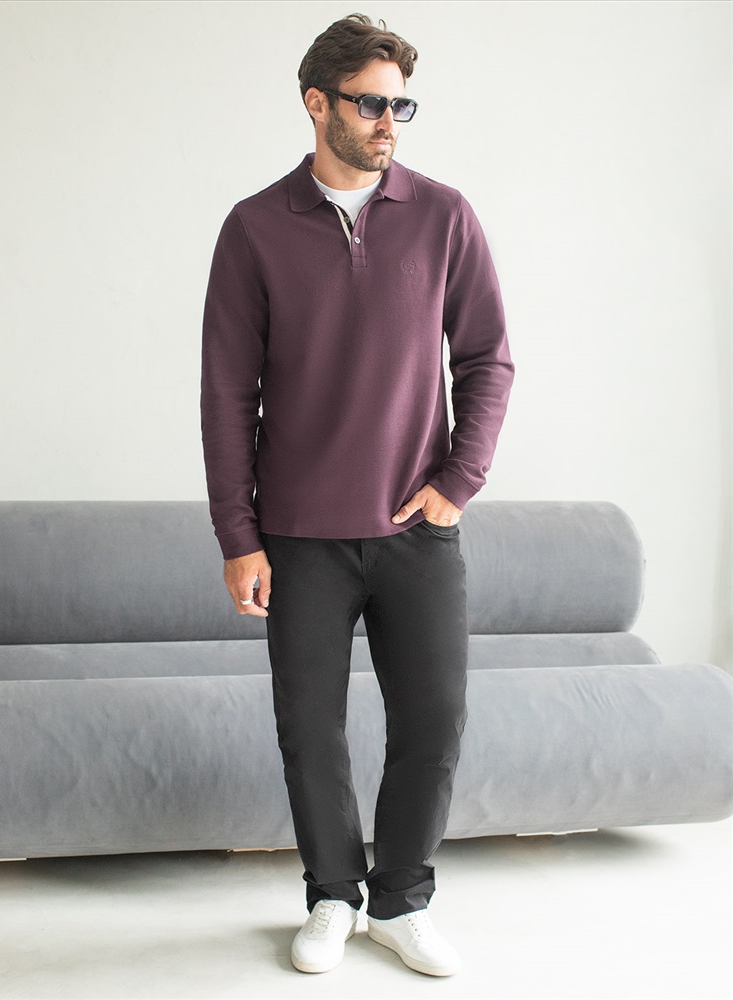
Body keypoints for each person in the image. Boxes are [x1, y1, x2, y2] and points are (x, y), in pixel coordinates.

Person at [200, 12, 514, 978]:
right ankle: (333, 897)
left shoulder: (445, 215)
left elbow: (488, 359)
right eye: (372, 104)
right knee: (310, 732)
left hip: (417, 532)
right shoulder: (255, 227)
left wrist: (459, 481)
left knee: (434, 722)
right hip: (298, 537)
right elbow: (226, 394)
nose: (389, 122)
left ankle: (401, 901)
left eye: (400, 106)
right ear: (317, 103)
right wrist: (238, 535)